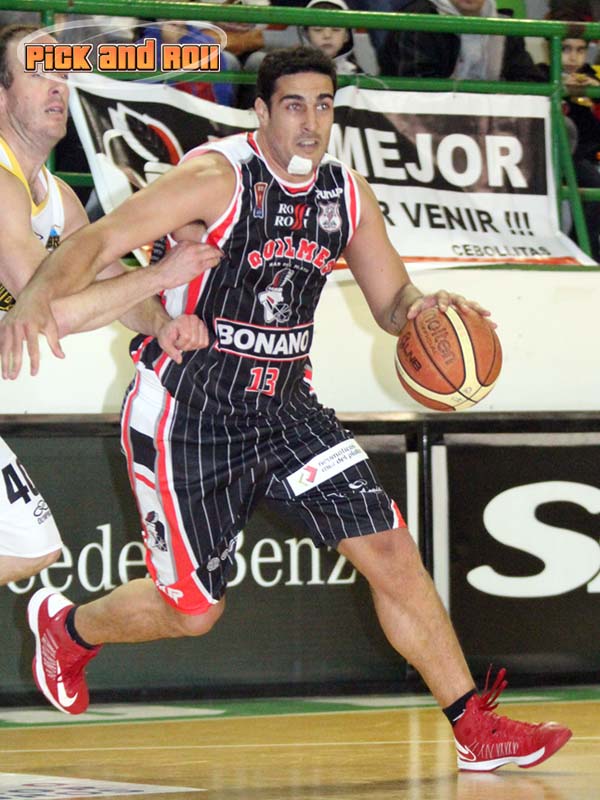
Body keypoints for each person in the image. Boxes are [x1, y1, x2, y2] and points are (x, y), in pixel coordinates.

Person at [1, 45, 572, 772]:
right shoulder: (215, 177)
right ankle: (70, 629)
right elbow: (99, 241)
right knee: (193, 611)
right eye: (294, 106)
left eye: (323, 106)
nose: (310, 122)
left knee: (391, 551)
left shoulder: (346, 194)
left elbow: (393, 302)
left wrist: (428, 308)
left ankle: (474, 727)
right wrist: (34, 302)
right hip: (191, 413)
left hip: (288, 409)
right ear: (262, 112)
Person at [0, 24, 221, 585]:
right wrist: (162, 274)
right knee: (29, 544)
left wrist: (163, 325)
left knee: (31, 547)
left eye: (62, 72)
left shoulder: (59, 196)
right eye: (38, 73)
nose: (57, 85)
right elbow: (43, 310)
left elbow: (112, 279)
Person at [538, 12, 600, 261]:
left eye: (580, 50)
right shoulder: (538, 76)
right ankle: (582, 251)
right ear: (548, 48)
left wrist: (594, 99)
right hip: (547, 154)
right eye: (565, 49)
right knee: (591, 184)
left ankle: (585, 249)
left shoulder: (593, 80)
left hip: (585, 154)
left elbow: (593, 132)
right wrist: (562, 93)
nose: (573, 58)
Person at [378, 0, 545, 82]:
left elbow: (528, 79)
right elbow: (417, 88)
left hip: (486, 125)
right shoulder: (418, 21)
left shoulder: (504, 26)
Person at [298, 0, 362, 74]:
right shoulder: (297, 72)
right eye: (318, 29)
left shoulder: (355, 75)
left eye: (336, 29)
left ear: (347, 36)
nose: (327, 35)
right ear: (306, 35)